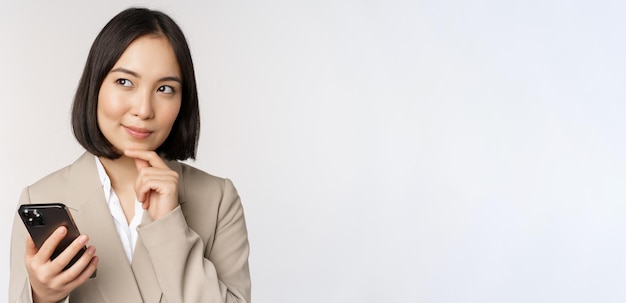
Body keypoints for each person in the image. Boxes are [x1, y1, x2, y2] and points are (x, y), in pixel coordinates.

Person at [9, 7, 251, 303]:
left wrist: (170, 226)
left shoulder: (217, 199)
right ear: (95, 85)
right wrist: (41, 296)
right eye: (125, 82)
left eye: (165, 88)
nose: (144, 109)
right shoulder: (41, 198)